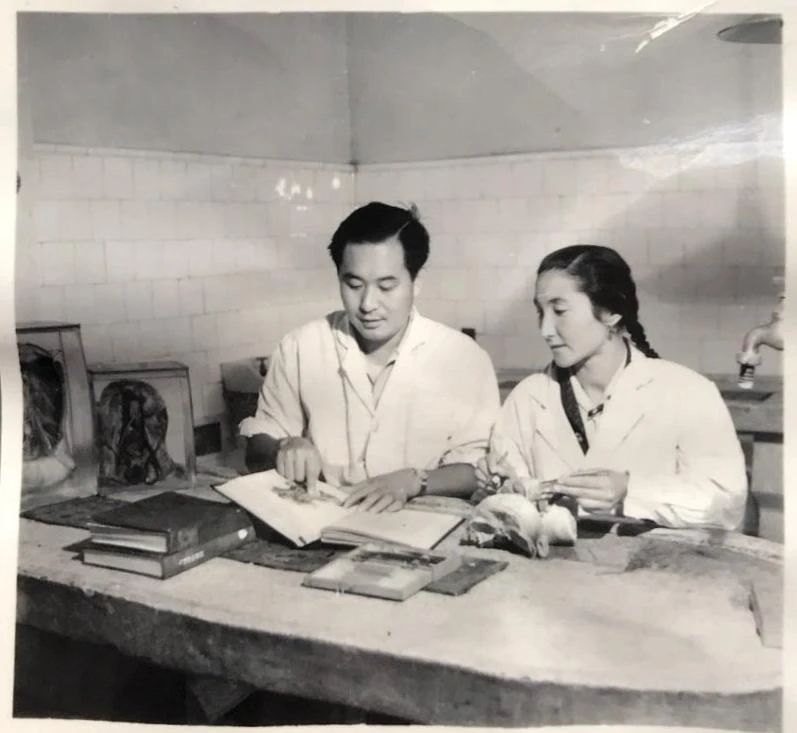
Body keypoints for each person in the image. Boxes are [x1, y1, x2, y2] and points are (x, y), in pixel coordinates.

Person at [240, 201, 500, 511]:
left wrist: (415, 481)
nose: (367, 304)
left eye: (386, 286)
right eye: (353, 284)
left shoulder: (464, 358)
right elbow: (258, 442)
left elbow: (479, 468)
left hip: (421, 522)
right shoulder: (301, 347)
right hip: (324, 519)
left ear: (416, 282)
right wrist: (284, 447)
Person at [486, 244, 747, 530]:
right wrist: (498, 484)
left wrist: (630, 491)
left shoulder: (688, 393)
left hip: (656, 558)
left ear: (610, 312)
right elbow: (508, 493)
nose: (545, 329)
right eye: (540, 312)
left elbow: (726, 504)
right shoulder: (528, 397)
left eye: (559, 311)